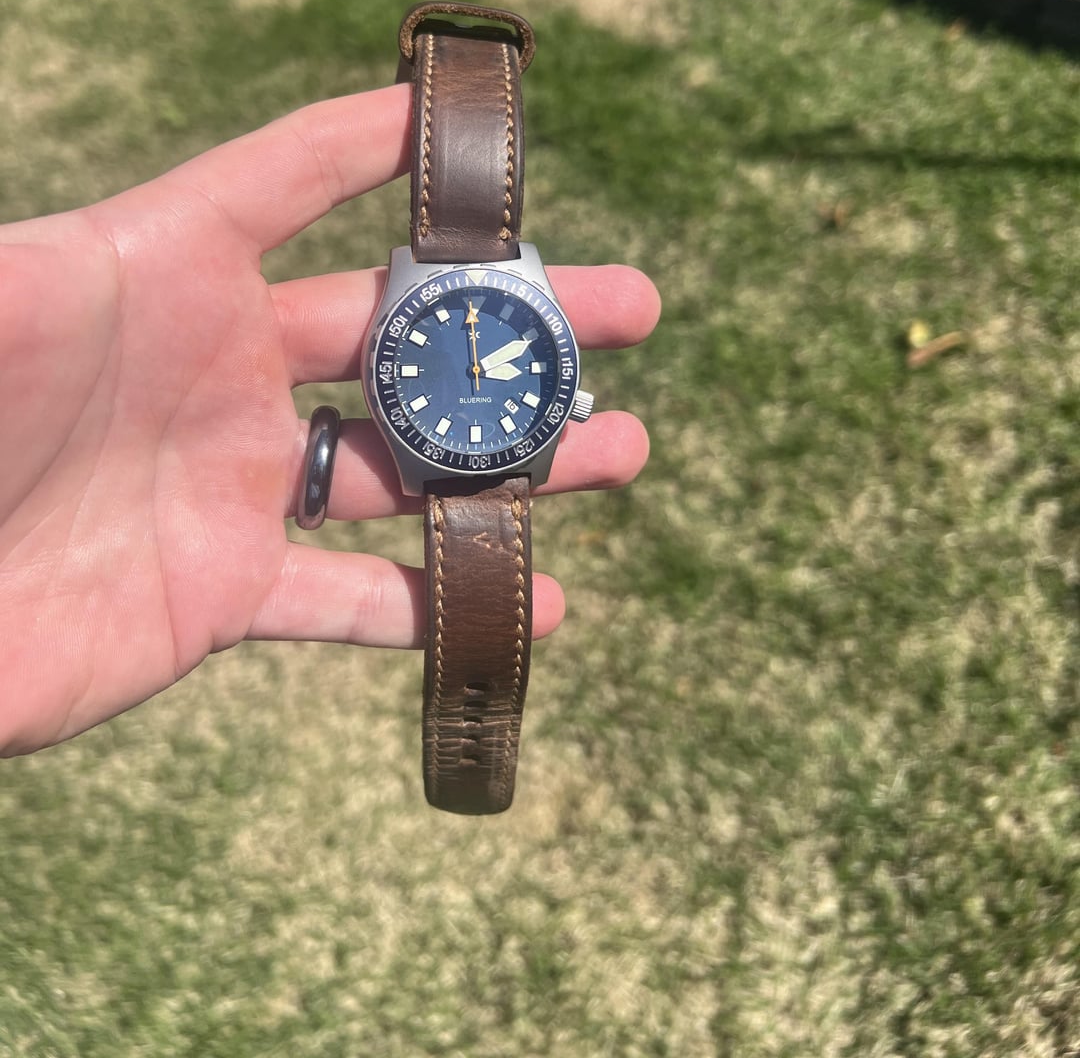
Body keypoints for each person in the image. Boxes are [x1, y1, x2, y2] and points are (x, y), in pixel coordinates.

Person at [0, 81, 660, 758]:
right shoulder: (465, 329)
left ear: (564, 388)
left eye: (489, 368)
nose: (474, 375)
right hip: (449, 444)